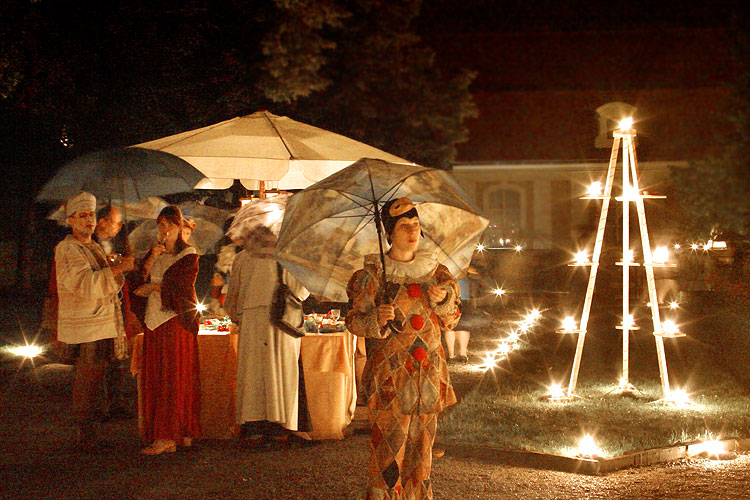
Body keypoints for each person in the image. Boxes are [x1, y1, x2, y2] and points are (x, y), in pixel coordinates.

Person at [346, 197, 461, 500]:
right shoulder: (373, 276)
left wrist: (442, 302)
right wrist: (375, 319)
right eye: (404, 226)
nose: (412, 232)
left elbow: (452, 321)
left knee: (422, 451)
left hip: (427, 374)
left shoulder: (437, 274)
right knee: (388, 447)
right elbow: (354, 321)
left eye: (416, 225)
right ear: (389, 233)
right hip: (390, 377)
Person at [54, 191, 134, 449]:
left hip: (100, 323)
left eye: (91, 215)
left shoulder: (92, 246)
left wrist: (114, 267)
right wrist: (117, 269)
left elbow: (105, 281)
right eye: (82, 215)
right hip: (86, 325)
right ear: (71, 220)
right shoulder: (67, 249)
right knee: (87, 379)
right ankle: (85, 435)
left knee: (96, 376)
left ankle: (90, 432)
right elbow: (84, 284)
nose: (88, 220)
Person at [224, 226, 311, 445]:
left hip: (251, 320)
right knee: (282, 373)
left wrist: (238, 315)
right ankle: (283, 423)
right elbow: (301, 291)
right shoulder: (286, 256)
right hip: (280, 321)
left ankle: (253, 424)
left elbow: (232, 297)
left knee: (253, 373)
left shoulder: (243, 258)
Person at [132, 205, 201, 455]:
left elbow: (183, 290)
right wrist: (151, 259)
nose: (164, 230)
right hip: (153, 320)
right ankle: (163, 431)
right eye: (160, 225)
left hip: (174, 321)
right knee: (156, 375)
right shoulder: (157, 253)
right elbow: (139, 280)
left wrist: (153, 288)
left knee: (172, 376)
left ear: (179, 227)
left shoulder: (188, 255)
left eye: (169, 225)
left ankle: (172, 433)